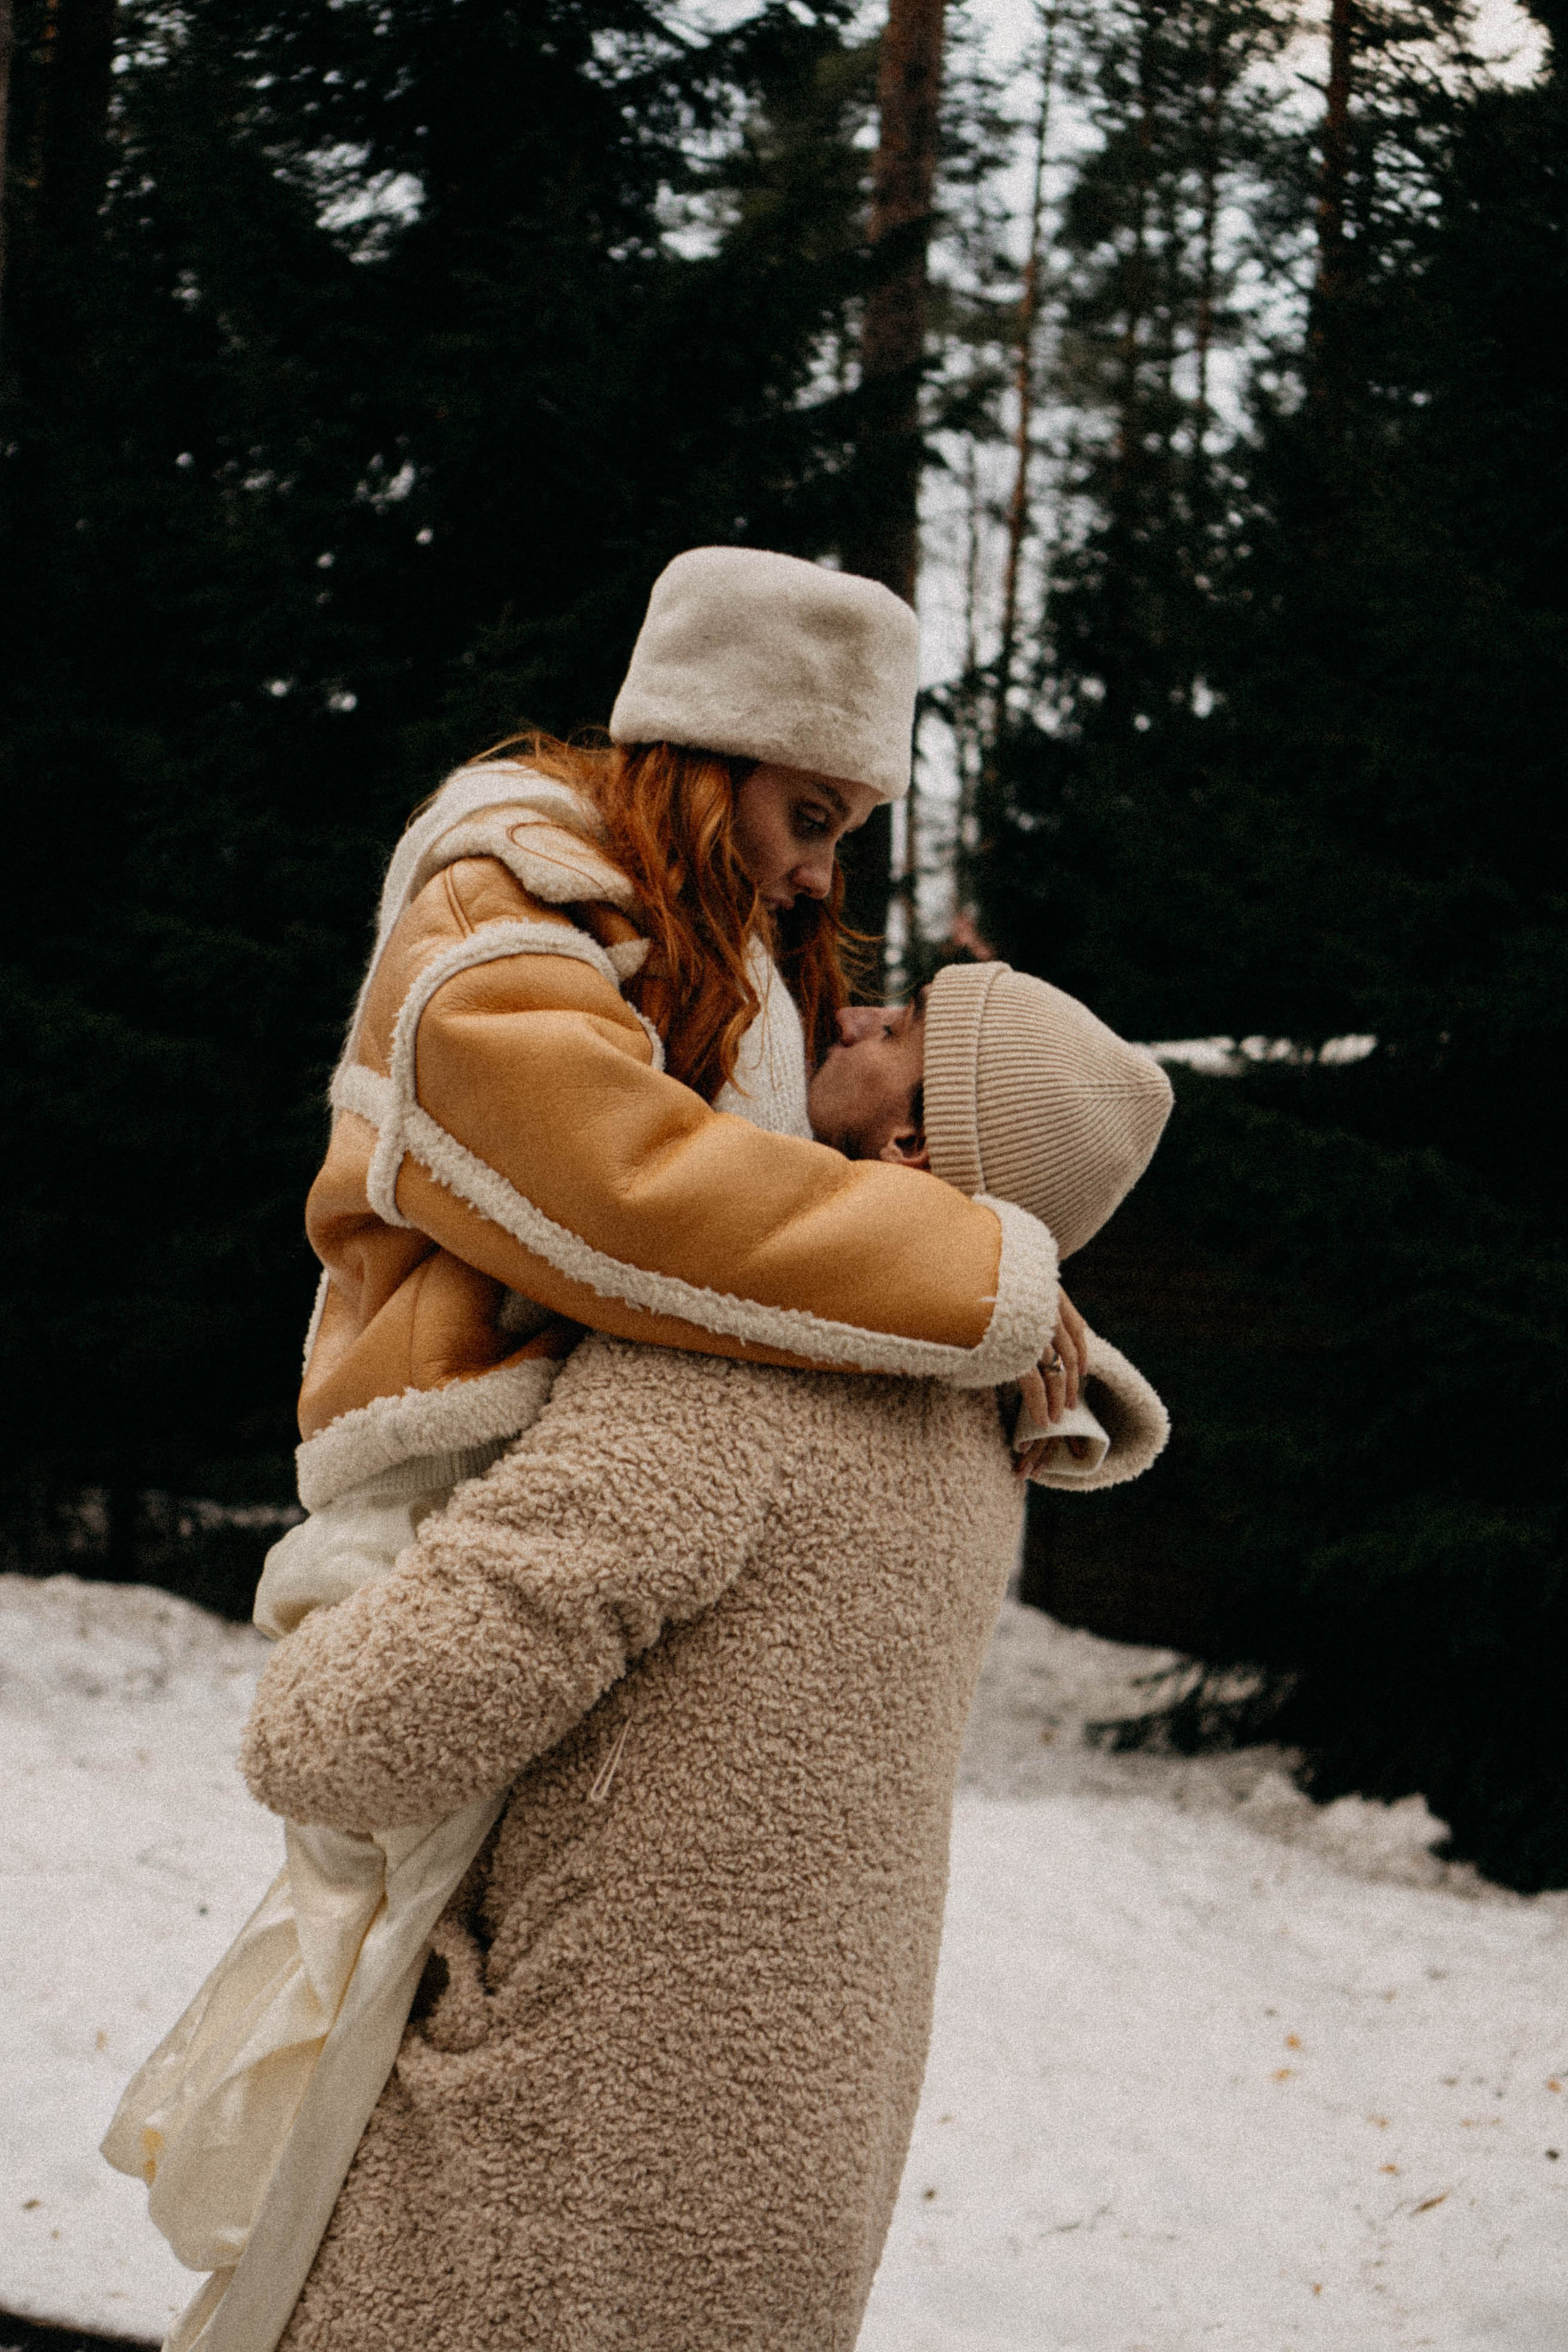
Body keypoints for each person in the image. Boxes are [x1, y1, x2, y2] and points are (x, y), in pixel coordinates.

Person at [230, 958, 1174, 2352]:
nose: (848, 1013)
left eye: (897, 1026)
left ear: (912, 1141)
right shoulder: (988, 1439)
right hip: (788, 2175)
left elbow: (352, 1736)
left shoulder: (738, 1360)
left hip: (564, 2179)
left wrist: (318, 1647)